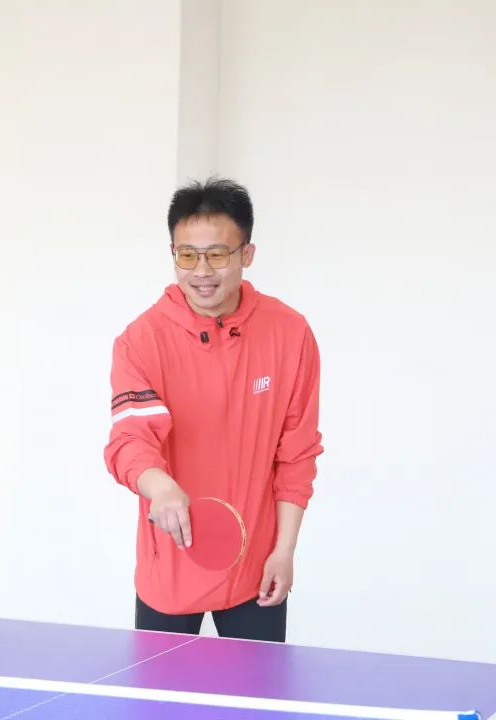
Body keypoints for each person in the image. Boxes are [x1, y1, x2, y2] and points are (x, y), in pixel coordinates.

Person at [103, 177, 323, 642]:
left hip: (256, 567)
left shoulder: (290, 333)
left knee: (258, 691)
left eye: (217, 254)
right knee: (160, 691)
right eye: (187, 255)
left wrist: (284, 550)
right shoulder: (141, 341)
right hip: (170, 568)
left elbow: (297, 453)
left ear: (247, 254)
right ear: (173, 254)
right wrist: (160, 487)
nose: (201, 271)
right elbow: (130, 442)